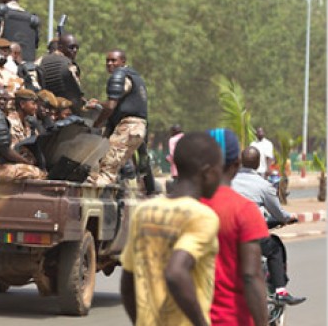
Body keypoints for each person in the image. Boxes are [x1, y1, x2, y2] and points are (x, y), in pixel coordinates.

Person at [120, 132, 222, 326]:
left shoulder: (144, 211)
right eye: (219, 170)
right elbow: (176, 272)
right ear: (207, 172)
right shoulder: (201, 216)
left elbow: (128, 283)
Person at [200, 129, 269, 326]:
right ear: (236, 165)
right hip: (230, 319)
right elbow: (251, 276)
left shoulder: (186, 206)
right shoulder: (244, 210)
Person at [232, 146, 306, 305]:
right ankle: (280, 291)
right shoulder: (263, 185)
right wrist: (289, 217)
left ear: (240, 161)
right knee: (275, 247)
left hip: (227, 236)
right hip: (252, 237)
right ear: (259, 163)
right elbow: (278, 214)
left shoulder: (227, 182)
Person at [86, 49, 148, 186]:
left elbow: (110, 106)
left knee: (107, 169)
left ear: (123, 62)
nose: (109, 63)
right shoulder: (135, 77)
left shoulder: (120, 75)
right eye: (107, 61)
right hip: (134, 128)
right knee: (117, 167)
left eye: (113, 60)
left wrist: (96, 124)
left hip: (128, 127)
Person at [38, 33, 84, 113]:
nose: (75, 50)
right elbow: (77, 93)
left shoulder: (41, 61)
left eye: (77, 48)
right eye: (71, 47)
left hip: (48, 111)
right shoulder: (70, 65)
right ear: (60, 47)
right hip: (66, 112)